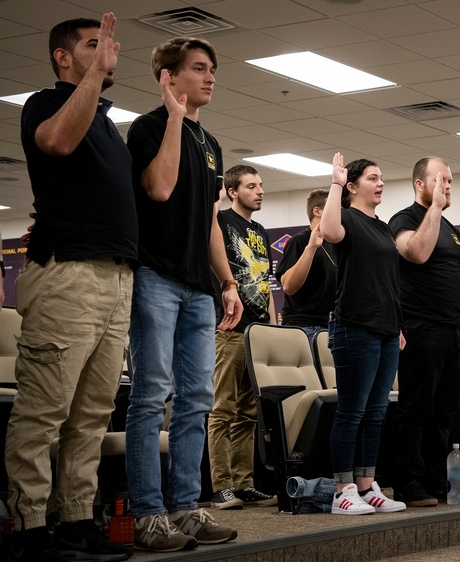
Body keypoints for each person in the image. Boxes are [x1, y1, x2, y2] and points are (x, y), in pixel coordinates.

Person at [4, 14, 135, 561]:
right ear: (63, 57)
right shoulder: (44, 103)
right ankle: (30, 527)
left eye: (108, 44)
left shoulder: (107, 125)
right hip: (66, 276)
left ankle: (75, 520)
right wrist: (91, 78)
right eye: (92, 44)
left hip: (115, 279)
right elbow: (56, 143)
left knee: (92, 413)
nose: (109, 52)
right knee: (44, 410)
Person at [126, 35, 240, 552]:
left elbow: (211, 222)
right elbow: (160, 188)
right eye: (198, 68)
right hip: (156, 277)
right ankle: (149, 514)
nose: (210, 76)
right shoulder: (148, 127)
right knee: (150, 398)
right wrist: (174, 118)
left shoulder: (212, 144)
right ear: (169, 76)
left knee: (197, 401)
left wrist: (228, 282)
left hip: (199, 289)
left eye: (212, 69)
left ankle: (187, 509)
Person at [318, 153, 407, 514]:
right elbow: (328, 231)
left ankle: (369, 486)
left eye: (382, 177)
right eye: (372, 178)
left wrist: (397, 326)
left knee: (376, 411)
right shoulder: (349, 218)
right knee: (351, 411)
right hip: (354, 326)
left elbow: (388, 282)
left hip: (386, 330)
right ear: (354, 187)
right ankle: (343, 489)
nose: (380, 182)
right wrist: (335, 183)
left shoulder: (383, 227)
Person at [389, 157, 460, 507]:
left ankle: (436, 481)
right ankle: (408, 483)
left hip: (452, 331)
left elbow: (457, 281)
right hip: (420, 328)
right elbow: (417, 253)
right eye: (441, 181)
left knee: (444, 411)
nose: (447, 188)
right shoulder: (405, 219)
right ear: (420, 184)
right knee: (415, 409)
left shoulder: (452, 229)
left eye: (451, 182)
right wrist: (436, 207)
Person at [207, 164, 277, 510]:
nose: (260, 191)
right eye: (251, 186)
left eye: (261, 185)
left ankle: (244, 483)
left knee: (249, 412)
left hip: (256, 332)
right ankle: (221, 485)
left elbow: (267, 286)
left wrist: (272, 329)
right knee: (223, 409)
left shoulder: (261, 231)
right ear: (233, 191)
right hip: (229, 331)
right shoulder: (220, 222)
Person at [275, 189, 338, 339]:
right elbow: (288, 286)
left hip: (331, 326)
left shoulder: (336, 245)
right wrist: (311, 248)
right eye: (335, 207)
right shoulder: (299, 242)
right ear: (318, 211)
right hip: (304, 327)